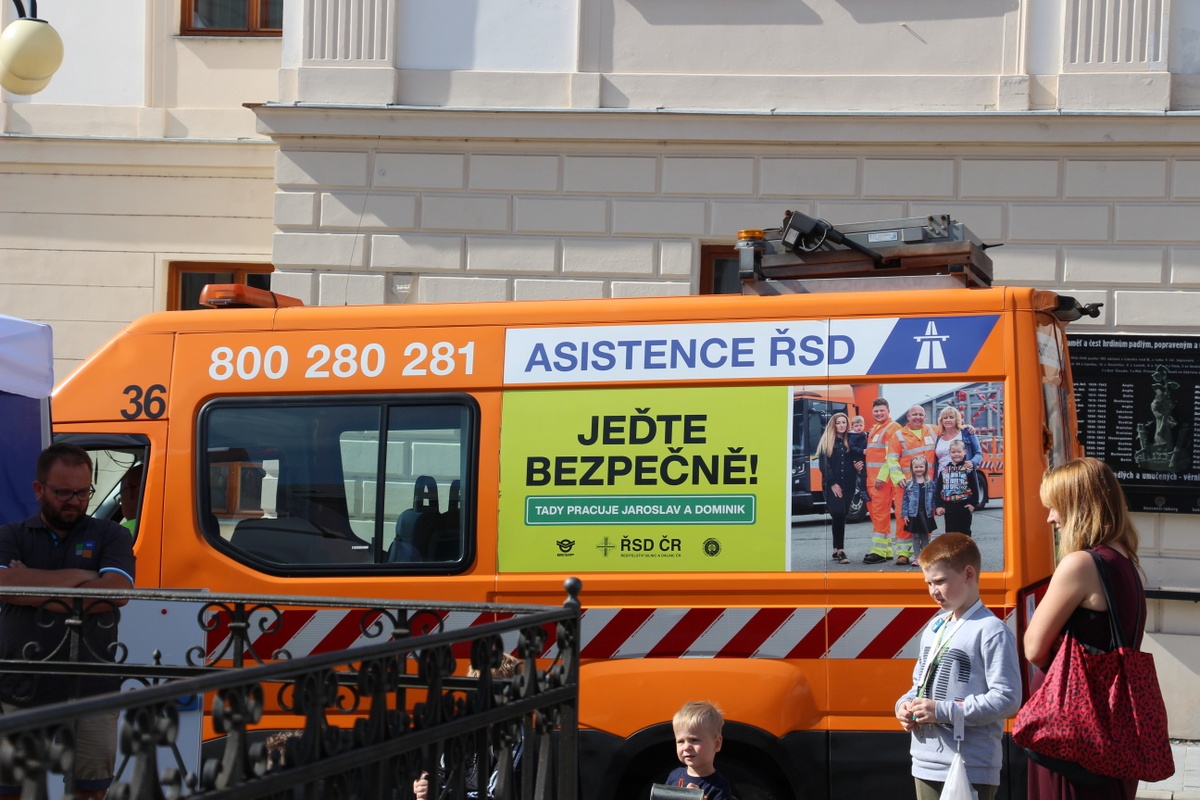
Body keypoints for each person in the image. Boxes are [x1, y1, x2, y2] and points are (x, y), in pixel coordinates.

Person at [0, 443, 136, 800]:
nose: (75, 501)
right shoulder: (10, 535)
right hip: (20, 686)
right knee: (13, 791)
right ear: (38, 489)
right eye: (63, 492)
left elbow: (116, 593)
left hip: (92, 686)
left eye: (83, 492)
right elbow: (2, 584)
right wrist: (82, 577)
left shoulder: (112, 534)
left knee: (90, 792)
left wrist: (29, 583)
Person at [1023, 457, 1146, 800]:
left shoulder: (1081, 564)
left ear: (1079, 508)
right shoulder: (1124, 559)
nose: (1051, 518)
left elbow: (1033, 647)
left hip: (1070, 734)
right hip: (1107, 729)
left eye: (1056, 507)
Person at [895, 533, 1020, 800]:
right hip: (925, 761)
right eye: (929, 583)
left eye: (940, 581)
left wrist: (942, 711)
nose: (933, 591)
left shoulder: (991, 630)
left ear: (968, 574)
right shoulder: (935, 626)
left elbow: (1007, 698)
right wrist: (904, 706)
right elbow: (919, 686)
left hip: (970, 765)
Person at [414, 652, 524, 800]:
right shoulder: (466, 732)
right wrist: (426, 784)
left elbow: (494, 795)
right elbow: (442, 773)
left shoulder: (516, 738)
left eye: (494, 692)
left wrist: (440, 793)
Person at [891, 405, 939, 566]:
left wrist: (965, 427)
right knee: (903, 517)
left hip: (927, 485)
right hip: (906, 485)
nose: (917, 417)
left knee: (927, 517)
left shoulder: (933, 430)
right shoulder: (898, 435)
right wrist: (898, 477)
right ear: (908, 417)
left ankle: (926, 553)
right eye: (914, 414)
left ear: (925, 416)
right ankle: (904, 553)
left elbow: (951, 430)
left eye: (920, 414)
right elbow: (892, 459)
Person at [817, 412, 863, 565]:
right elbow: (824, 465)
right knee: (837, 512)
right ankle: (841, 550)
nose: (842, 425)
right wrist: (833, 483)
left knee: (841, 516)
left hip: (849, 483)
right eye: (838, 423)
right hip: (831, 485)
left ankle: (836, 548)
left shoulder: (851, 440)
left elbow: (856, 459)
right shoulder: (827, 441)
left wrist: (857, 466)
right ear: (833, 425)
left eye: (844, 422)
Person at [863, 398, 903, 565]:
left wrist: (882, 477)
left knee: (880, 514)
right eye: (876, 411)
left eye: (882, 411)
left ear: (888, 411)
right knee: (877, 514)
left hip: (882, 481)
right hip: (873, 480)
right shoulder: (875, 429)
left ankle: (878, 551)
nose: (879, 413)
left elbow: (891, 456)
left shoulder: (892, 428)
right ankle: (886, 550)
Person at [665, 701, 733, 800]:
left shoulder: (719, 786)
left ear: (716, 744)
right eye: (680, 741)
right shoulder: (674, 776)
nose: (686, 747)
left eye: (694, 740)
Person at [934, 440, 981, 537]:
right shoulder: (944, 470)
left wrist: (973, 504)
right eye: (953, 452)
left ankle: (965, 547)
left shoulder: (968, 469)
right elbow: (939, 488)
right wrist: (939, 505)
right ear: (949, 453)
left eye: (959, 451)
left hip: (964, 506)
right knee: (950, 534)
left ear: (965, 452)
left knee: (965, 533)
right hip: (949, 507)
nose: (956, 454)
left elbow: (974, 486)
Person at [901, 455, 937, 566]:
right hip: (914, 514)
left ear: (925, 468)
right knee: (915, 536)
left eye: (921, 467)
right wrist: (905, 514)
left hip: (926, 513)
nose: (919, 469)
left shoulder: (930, 484)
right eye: (916, 467)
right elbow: (905, 500)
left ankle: (925, 557)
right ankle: (917, 557)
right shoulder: (909, 484)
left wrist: (937, 509)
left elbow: (934, 499)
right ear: (912, 468)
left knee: (925, 536)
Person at [935, 407, 983, 472]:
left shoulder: (967, 433)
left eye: (951, 417)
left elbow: (978, 453)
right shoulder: (938, 436)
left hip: (963, 475)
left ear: (957, 419)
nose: (948, 420)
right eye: (945, 418)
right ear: (941, 420)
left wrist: (972, 462)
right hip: (941, 475)